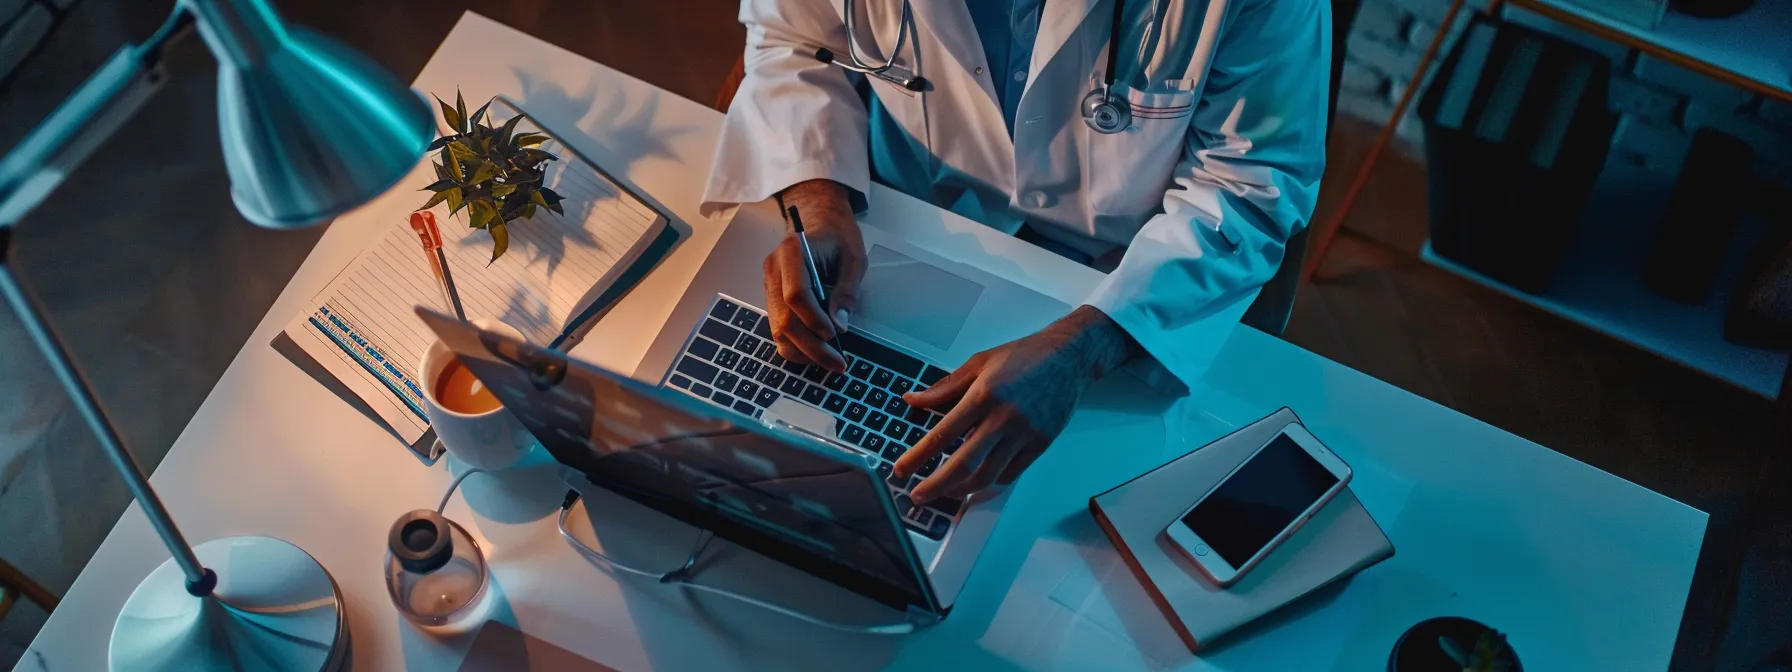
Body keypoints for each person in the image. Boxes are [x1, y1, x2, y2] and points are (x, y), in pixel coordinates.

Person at [702, 0, 1330, 506]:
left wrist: (1085, 349)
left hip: (1111, 289)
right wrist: (819, 205)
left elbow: (1249, 185)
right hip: (892, 240)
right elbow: (792, 42)